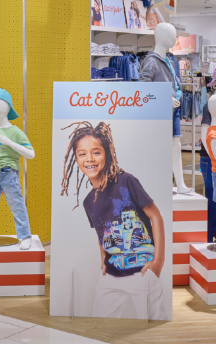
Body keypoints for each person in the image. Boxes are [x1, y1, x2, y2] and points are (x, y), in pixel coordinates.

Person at [60, 121, 167, 320]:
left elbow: (155, 215)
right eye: (82, 154)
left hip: (142, 272)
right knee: (100, 324)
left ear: (107, 154)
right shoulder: (87, 202)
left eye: (96, 152)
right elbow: (100, 232)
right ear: (75, 159)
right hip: (110, 274)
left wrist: (158, 261)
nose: (89, 159)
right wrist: (103, 261)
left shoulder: (126, 181)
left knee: (153, 323)